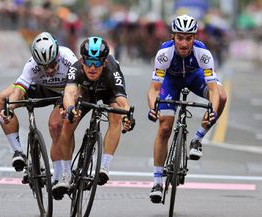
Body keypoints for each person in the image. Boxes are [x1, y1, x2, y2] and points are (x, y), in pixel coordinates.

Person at [147, 15, 227, 203]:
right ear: (173, 36)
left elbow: (214, 90)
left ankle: (198, 139)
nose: (184, 43)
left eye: (188, 38)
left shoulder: (203, 53)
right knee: (165, 127)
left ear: (195, 38)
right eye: (180, 38)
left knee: (222, 96)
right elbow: (154, 89)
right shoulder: (164, 53)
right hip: (171, 82)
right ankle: (157, 181)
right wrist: (153, 108)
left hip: (194, 78)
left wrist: (212, 111)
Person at [53, 36, 135, 198]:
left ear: (104, 62)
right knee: (67, 122)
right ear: (82, 60)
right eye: (88, 61)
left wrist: (127, 115)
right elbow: (69, 92)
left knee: (116, 115)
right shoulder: (76, 68)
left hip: (108, 92)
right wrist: (70, 109)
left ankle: (104, 166)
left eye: (97, 63)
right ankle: (66, 174)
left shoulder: (112, 69)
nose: (92, 67)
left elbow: (122, 100)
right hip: (85, 93)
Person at [0, 31, 78, 184]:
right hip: (40, 89)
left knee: (55, 125)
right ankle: (18, 152)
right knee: (0, 100)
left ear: (57, 55)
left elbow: (76, 90)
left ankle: (59, 176)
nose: (50, 70)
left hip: (63, 93)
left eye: (52, 64)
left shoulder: (69, 58)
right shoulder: (31, 64)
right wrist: (9, 109)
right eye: (44, 67)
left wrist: (69, 107)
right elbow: (19, 89)